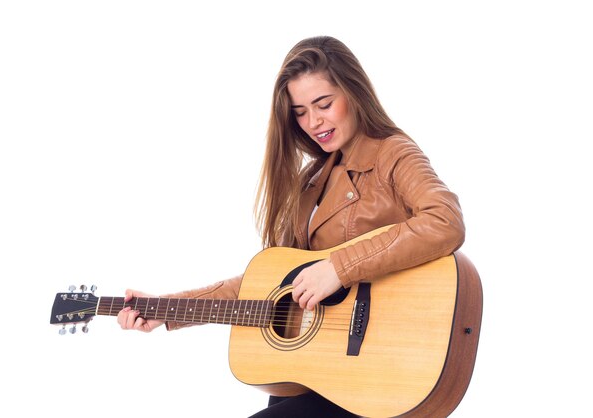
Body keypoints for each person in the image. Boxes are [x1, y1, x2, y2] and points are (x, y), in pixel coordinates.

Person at [117, 35, 465, 417]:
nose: (313, 122)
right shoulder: (312, 181)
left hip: (379, 366)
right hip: (314, 369)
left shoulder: (393, 153)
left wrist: (338, 269)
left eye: (324, 104)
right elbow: (270, 284)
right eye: (300, 111)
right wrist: (169, 309)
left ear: (354, 93)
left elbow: (444, 221)